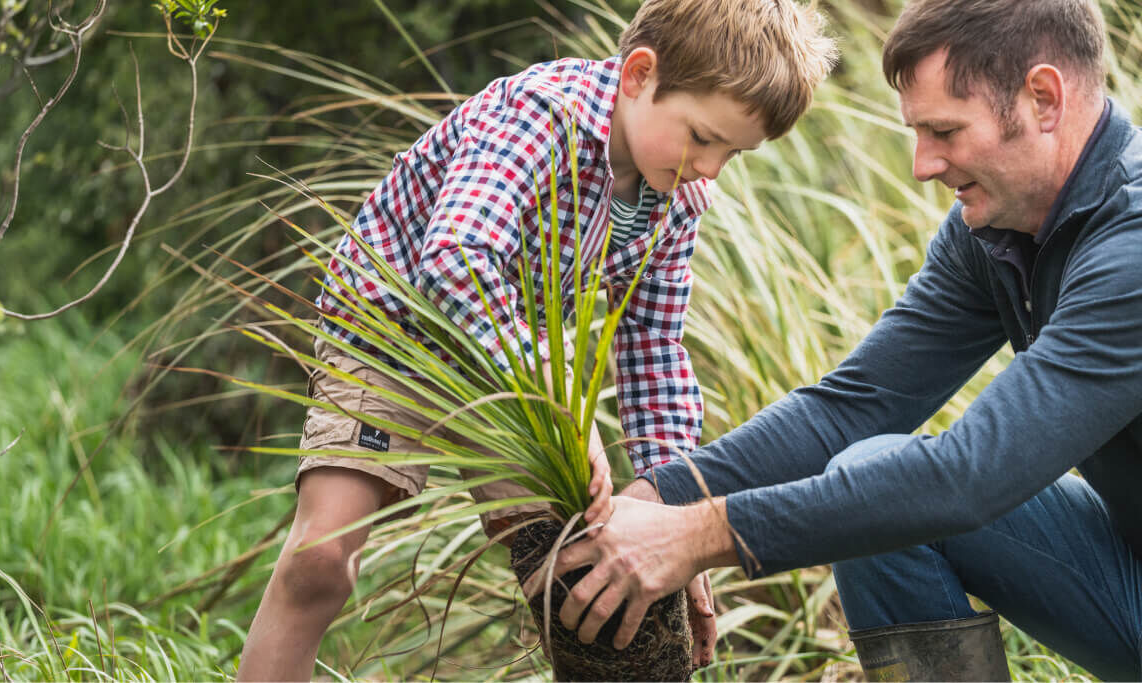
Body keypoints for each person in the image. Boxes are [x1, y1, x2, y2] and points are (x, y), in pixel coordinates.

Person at [530, 1, 1142, 681]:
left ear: (1043, 98)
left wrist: (693, 537)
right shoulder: (997, 231)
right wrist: (654, 500)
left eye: (944, 130)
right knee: (873, 478)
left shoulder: (1133, 248)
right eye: (917, 133)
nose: (923, 165)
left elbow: (972, 477)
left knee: (909, 490)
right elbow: (854, 404)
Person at [236, 1, 837, 679]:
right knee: (322, 560)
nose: (711, 169)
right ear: (640, 75)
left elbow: (653, 346)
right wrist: (552, 390)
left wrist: (679, 518)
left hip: (507, 368)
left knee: (589, 584)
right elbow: (458, 259)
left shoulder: (676, 199)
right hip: (392, 335)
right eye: (702, 137)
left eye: (733, 152)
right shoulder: (539, 115)